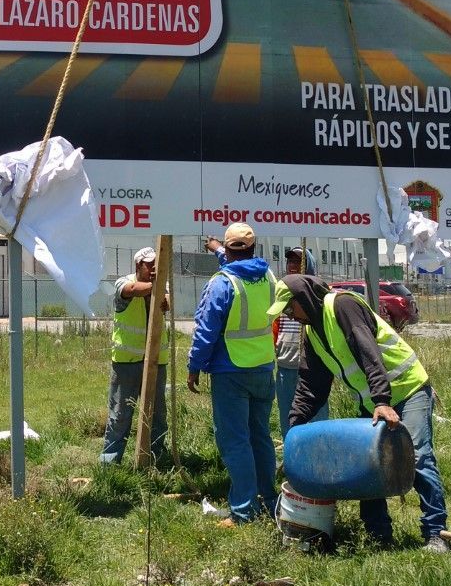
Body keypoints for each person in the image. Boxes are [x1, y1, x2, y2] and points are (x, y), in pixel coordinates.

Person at [272, 273, 449, 550]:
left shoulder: (342, 305)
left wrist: (381, 400)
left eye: (289, 307)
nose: (289, 315)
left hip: (407, 387)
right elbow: (311, 384)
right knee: (367, 461)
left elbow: (369, 352)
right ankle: (379, 535)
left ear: (304, 298)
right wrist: (295, 426)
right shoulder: (312, 331)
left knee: (416, 456)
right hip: (375, 400)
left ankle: (436, 532)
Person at [186, 222, 277, 525]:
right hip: (263, 369)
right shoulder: (268, 277)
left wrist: (194, 366)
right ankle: (269, 501)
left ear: (229, 249)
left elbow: (205, 331)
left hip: (231, 372)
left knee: (235, 441)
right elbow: (240, 267)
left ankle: (243, 511)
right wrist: (217, 250)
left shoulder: (221, 284)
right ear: (254, 247)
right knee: (260, 437)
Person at [102, 246, 169, 465]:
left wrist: (162, 292)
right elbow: (133, 290)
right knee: (120, 415)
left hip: (156, 362)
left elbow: (166, 302)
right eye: (150, 264)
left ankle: (157, 458)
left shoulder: (161, 285)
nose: (154, 269)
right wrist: (156, 287)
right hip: (127, 363)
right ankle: (110, 462)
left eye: (156, 265)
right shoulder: (123, 282)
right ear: (138, 265)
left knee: (157, 415)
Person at [273, 246, 324, 439]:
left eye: (298, 261)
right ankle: (291, 455)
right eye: (290, 261)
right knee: (288, 415)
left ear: (308, 265)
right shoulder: (282, 291)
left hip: (313, 367)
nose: (293, 265)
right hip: (286, 365)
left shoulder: (317, 290)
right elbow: (275, 325)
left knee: (317, 416)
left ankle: (319, 455)